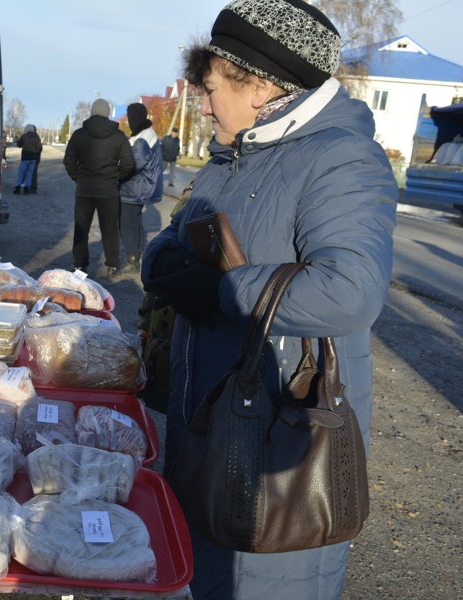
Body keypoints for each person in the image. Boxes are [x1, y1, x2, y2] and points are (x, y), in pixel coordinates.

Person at [141, 0, 397, 598]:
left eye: (209, 89)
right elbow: (171, 242)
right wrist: (169, 266)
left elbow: (352, 290)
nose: (201, 105)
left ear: (257, 85)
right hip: (211, 433)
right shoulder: (237, 153)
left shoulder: (339, 156)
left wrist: (225, 290)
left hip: (278, 449)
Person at [63, 98, 135, 277]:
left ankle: (80, 266)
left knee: (82, 229)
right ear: (108, 113)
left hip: (85, 189)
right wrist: (115, 178)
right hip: (108, 190)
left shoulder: (79, 135)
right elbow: (129, 163)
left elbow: (69, 160)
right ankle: (112, 265)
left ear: (91, 112)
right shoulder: (118, 136)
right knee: (109, 229)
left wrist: (78, 177)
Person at [119, 103, 163, 273]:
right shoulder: (144, 134)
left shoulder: (143, 137)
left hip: (134, 188)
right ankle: (137, 255)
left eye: (130, 117)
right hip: (138, 187)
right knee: (135, 223)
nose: (129, 121)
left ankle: (132, 260)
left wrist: (115, 172)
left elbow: (133, 164)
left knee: (128, 224)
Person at [13, 124, 42, 195]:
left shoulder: (24, 136)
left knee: (21, 173)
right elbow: (39, 148)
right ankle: (27, 189)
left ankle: (18, 188)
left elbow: (19, 145)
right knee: (30, 174)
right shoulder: (37, 137)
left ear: (26, 129)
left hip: (25, 157)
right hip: (33, 158)